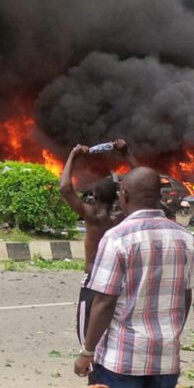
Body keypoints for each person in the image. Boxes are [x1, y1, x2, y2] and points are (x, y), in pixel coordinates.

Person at [73, 167, 194, 388]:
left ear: (125, 195)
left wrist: (87, 351)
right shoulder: (184, 237)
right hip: (166, 354)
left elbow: (104, 301)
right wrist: (172, 330)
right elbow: (186, 296)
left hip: (122, 357)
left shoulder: (118, 238)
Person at [59, 140, 134, 346]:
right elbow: (144, 185)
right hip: (119, 278)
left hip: (93, 279)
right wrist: (127, 154)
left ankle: (90, 359)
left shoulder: (91, 215)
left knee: (88, 331)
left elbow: (65, 188)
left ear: (95, 195)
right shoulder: (122, 215)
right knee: (114, 328)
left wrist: (73, 155)